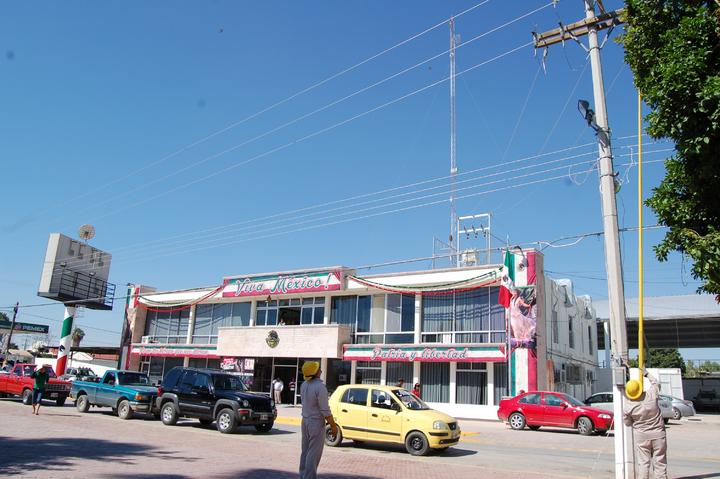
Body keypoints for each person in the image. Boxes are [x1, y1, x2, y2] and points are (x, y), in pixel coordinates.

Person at [623, 370, 668, 479]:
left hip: (641, 436)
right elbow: (656, 383)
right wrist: (646, 374)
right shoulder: (651, 395)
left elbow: (627, 423)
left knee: (643, 463)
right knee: (660, 462)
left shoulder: (628, 407)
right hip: (658, 434)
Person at [299, 361, 337, 479]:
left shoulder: (304, 385)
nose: (321, 370)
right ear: (315, 372)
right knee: (313, 453)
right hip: (315, 422)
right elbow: (325, 410)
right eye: (319, 368)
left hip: (305, 420)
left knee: (305, 451)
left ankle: (303, 475)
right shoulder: (320, 387)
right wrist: (333, 426)